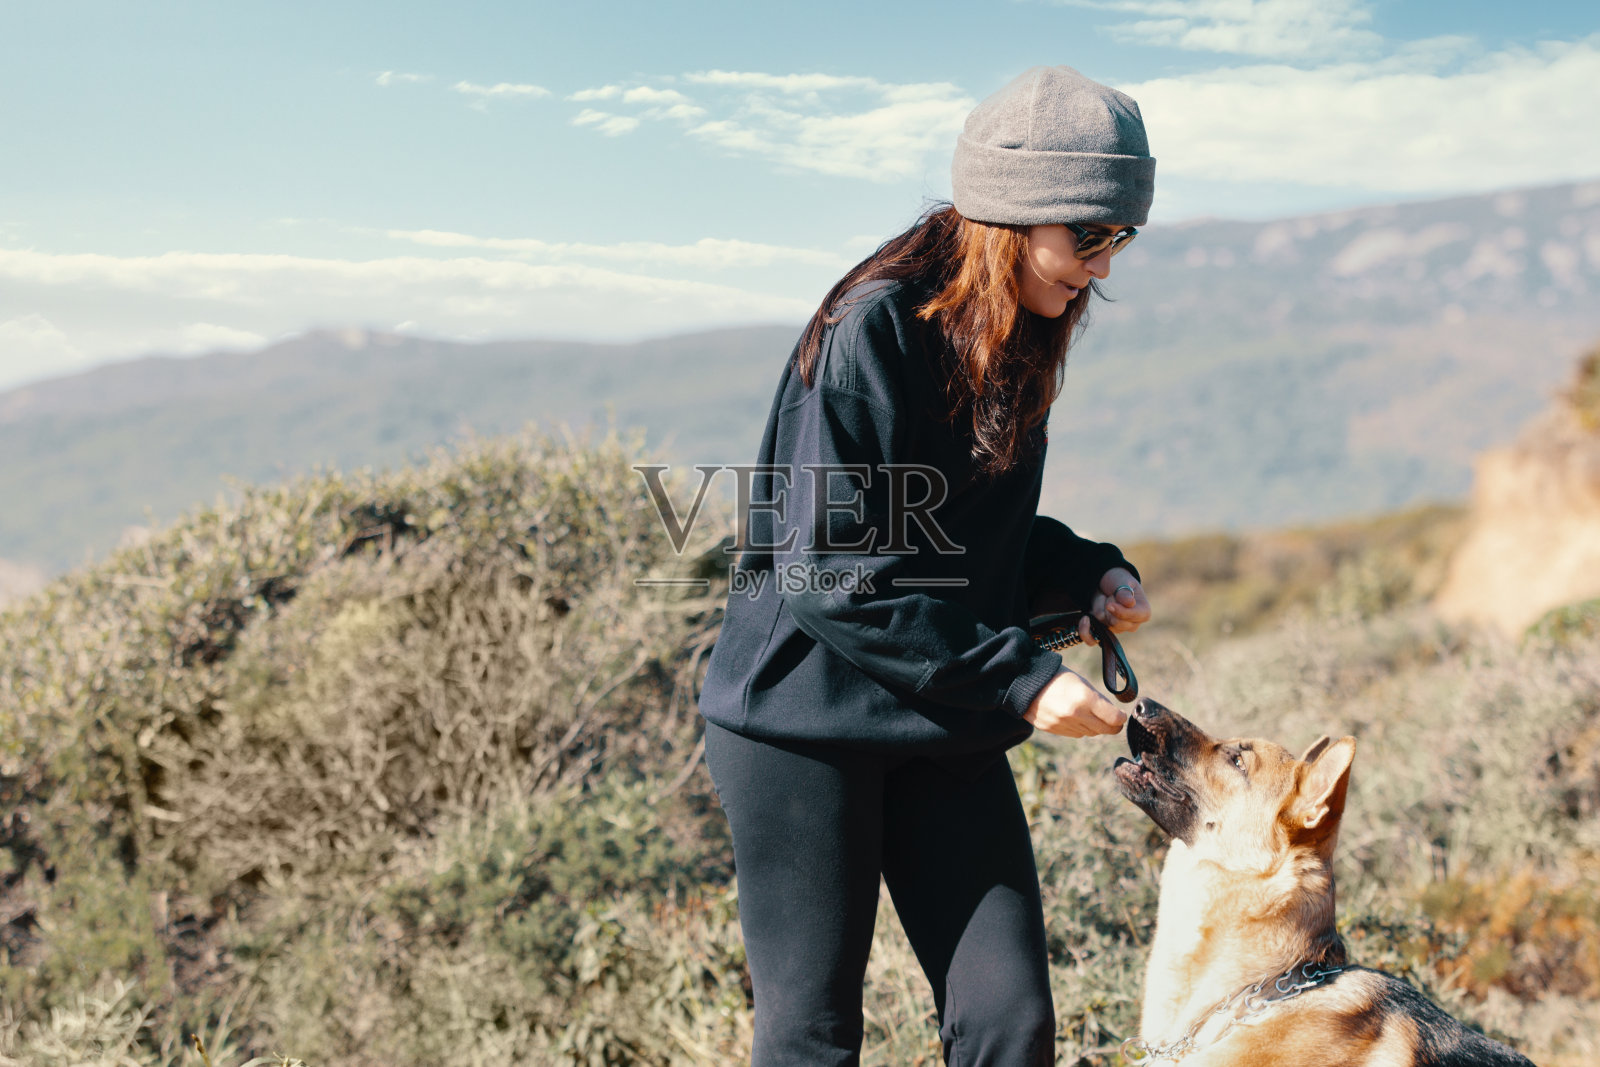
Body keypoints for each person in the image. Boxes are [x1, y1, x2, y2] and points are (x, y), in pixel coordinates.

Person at [697, 65, 1156, 1066]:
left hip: (937, 715)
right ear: (1015, 215)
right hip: (797, 723)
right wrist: (1024, 679)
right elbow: (829, 569)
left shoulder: (1017, 333)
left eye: (1122, 238)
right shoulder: (872, 323)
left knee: (1009, 1022)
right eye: (1090, 236)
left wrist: (1081, 572)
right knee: (812, 1038)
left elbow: (965, 530)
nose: (1104, 268)